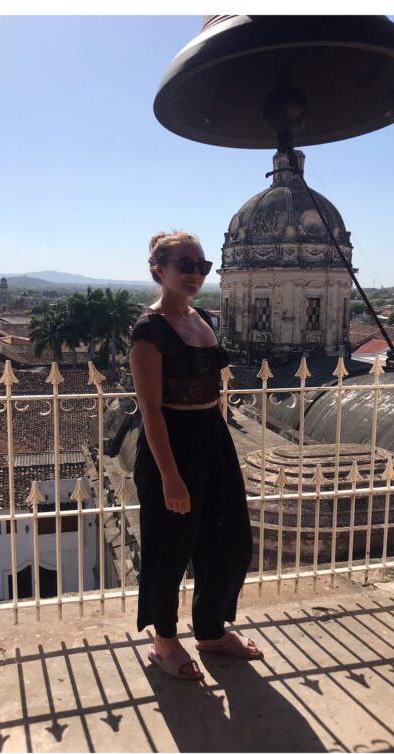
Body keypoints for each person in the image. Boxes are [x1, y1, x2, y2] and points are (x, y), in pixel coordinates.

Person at [128, 230, 262, 681]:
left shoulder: (202, 317)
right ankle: (163, 641)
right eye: (184, 264)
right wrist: (170, 475)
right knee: (170, 546)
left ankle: (209, 630)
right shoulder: (150, 331)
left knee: (232, 540)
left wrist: (218, 444)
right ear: (158, 270)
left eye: (201, 266)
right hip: (172, 441)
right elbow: (149, 409)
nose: (195, 274)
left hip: (211, 435)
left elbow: (212, 390)